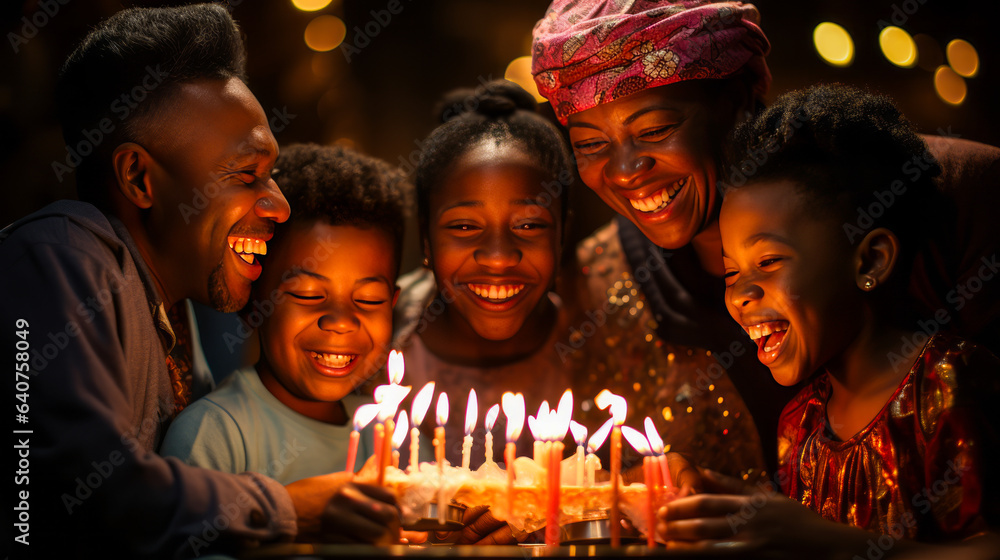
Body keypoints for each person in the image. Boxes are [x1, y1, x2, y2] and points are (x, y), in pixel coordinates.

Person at [531, 0, 1000, 476]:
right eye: (590, 144)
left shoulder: (957, 196)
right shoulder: (602, 284)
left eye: (656, 130)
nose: (627, 171)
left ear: (743, 95)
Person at [1, 6, 396, 557]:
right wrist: (291, 507)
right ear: (139, 177)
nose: (279, 206)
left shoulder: (178, 309)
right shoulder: (56, 258)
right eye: (245, 174)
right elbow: (89, 492)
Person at [392, 79, 762, 542]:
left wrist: (628, 493)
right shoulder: (377, 339)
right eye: (464, 226)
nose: (499, 256)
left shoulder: (604, 342)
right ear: (425, 241)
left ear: (562, 236)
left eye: (529, 224)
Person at [657, 84, 1000, 555]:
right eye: (731, 270)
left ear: (870, 261)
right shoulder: (799, 423)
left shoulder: (949, 388)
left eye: (770, 261)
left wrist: (830, 543)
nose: (740, 292)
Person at [161, 143, 408, 488]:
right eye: (307, 294)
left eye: (368, 300)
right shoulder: (215, 434)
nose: (340, 320)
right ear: (253, 303)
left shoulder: (401, 440)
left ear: (392, 305)